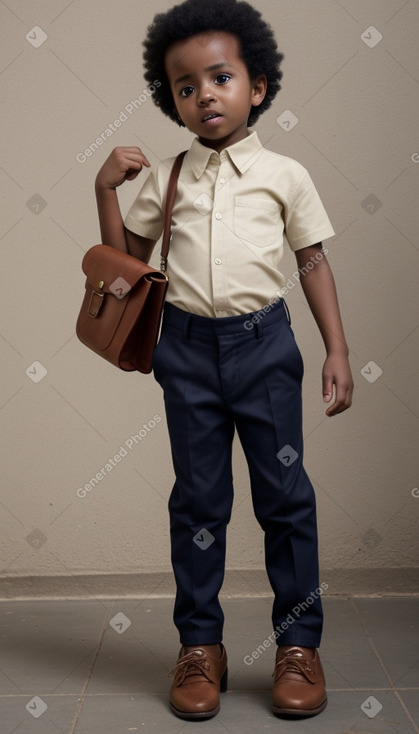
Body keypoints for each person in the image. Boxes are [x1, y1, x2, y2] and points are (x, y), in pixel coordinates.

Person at [94, 0, 354, 721]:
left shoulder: (284, 175)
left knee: (285, 502)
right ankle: (199, 648)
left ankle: (298, 646)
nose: (203, 93)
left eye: (220, 77)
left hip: (265, 350)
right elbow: (126, 266)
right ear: (170, 101)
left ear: (257, 86)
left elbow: (311, 260)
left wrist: (335, 348)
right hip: (186, 352)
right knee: (199, 504)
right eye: (185, 86)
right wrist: (104, 189)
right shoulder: (168, 177)